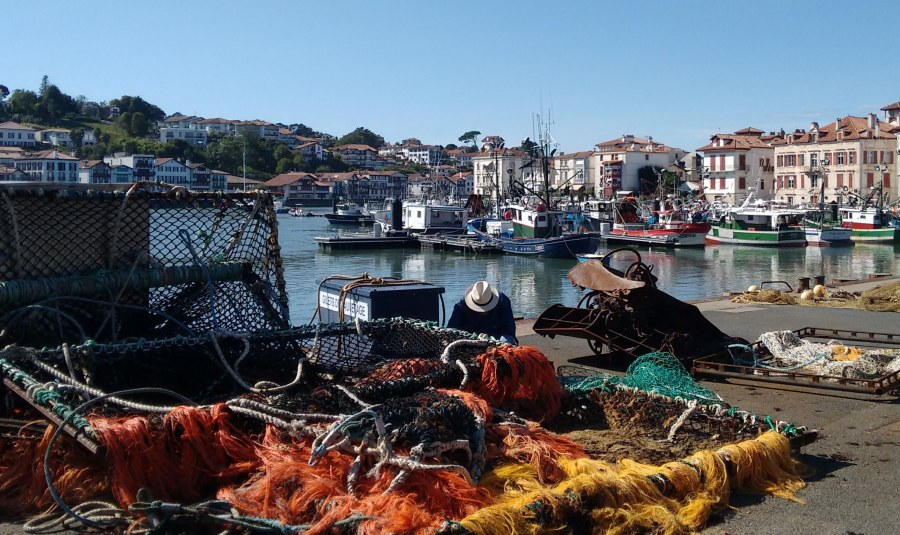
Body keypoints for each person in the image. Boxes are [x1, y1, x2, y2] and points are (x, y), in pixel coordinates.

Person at [447, 280, 518, 344]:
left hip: (497, 337)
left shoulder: (503, 302)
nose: (482, 311)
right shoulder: (461, 306)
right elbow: (452, 330)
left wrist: (499, 343)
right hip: (469, 338)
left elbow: (508, 330)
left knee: (507, 343)